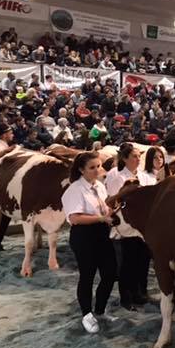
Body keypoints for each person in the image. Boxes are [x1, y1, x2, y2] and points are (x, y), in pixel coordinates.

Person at [61, 152, 118, 334]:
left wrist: (111, 211)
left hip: (102, 233)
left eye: (99, 166)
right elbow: (75, 218)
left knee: (110, 273)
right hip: (83, 236)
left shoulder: (100, 186)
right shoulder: (74, 190)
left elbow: (104, 208)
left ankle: (100, 310)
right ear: (81, 170)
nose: (97, 170)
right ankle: (87, 314)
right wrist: (101, 218)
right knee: (87, 276)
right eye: (92, 167)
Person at [105, 143, 150, 309]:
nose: (138, 159)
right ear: (124, 159)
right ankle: (126, 297)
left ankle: (139, 292)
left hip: (143, 224)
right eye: (134, 157)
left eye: (139, 156)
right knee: (127, 263)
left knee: (142, 261)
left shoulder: (146, 176)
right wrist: (125, 192)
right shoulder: (115, 175)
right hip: (125, 224)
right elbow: (111, 201)